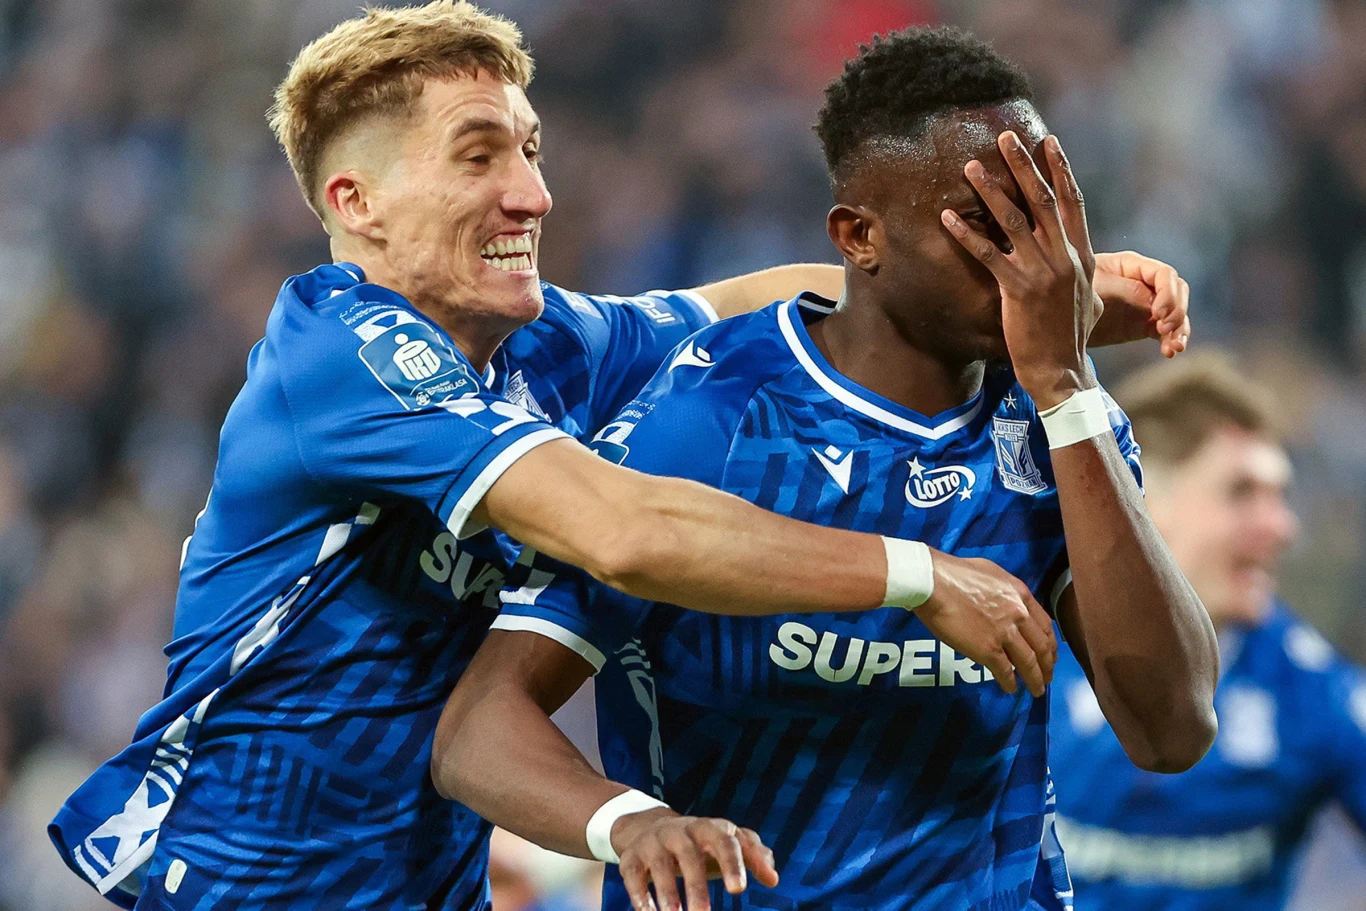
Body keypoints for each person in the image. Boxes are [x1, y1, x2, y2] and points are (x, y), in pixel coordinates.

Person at [46, 4, 1190, 908]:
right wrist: (917, 573)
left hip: (425, 875)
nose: (533, 193)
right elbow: (627, 530)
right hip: (253, 879)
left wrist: (1053, 299)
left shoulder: (544, 346)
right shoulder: (340, 356)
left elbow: (781, 301)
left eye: (531, 150)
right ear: (359, 203)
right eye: (479, 156)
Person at [433, 26, 1220, 911]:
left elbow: (1171, 729)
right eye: (987, 228)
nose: (1036, 267)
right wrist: (631, 822)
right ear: (859, 236)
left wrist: (1069, 390)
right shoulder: (711, 420)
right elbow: (477, 730)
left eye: (1044, 222)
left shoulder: (1053, 418)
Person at [1046, 353, 1366, 910]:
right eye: (1241, 492)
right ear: (1143, 500)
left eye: (1280, 496)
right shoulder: (1031, 648)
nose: (1282, 526)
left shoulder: (1312, 689)